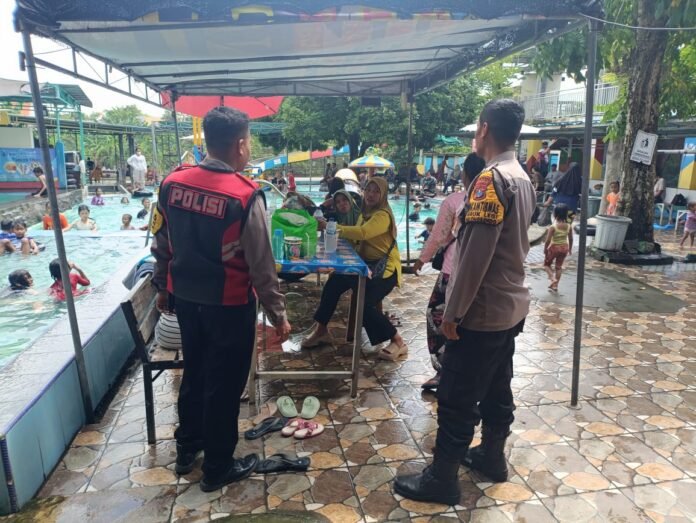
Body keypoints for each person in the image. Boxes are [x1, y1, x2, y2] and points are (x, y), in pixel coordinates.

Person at [395, 99, 535, 505]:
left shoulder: (490, 181)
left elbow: (474, 257)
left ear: (484, 128)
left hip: (481, 311)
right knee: (496, 387)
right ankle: (491, 456)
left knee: (456, 395)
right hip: (509, 307)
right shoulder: (522, 176)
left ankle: (442, 478)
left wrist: (453, 313)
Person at [151, 106, 290, 492]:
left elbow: (161, 241)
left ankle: (187, 448)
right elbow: (261, 264)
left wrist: (163, 286)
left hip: (185, 300)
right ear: (241, 144)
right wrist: (278, 313)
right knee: (224, 385)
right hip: (229, 305)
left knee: (195, 372)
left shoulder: (171, 184)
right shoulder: (244, 196)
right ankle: (217, 466)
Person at [302, 177, 407, 361]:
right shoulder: (364, 214)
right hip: (364, 266)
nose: (371, 195)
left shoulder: (382, 215)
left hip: (384, 271)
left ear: (383, 195)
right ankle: (321, 331)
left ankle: (398, 341)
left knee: (363, 304)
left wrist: (332, 227)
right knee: (334, 283)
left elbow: (363, 233)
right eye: (368, 190)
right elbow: (356, 239)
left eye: (376, 191)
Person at [413, 152, 486, 392]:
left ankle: (444, 371)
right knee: (468, 323)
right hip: (480, 273)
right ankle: (468, 373)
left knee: (437, 318)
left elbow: (439, 235)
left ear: (464, 174)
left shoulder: (454, 200)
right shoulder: (491, 200)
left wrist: (422, 259)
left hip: (451, 272)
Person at [544, 204, 573, 291]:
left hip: (554, 248)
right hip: (564, 248)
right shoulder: (569, 226)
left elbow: (547, 241)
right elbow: (571, 239)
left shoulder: (553, 227)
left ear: (555, 214)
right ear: (566, 214)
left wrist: (545, 249)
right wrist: (570, 249)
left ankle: (553, 279)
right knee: (558, 267)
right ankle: (555, 286)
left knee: (546, 265)